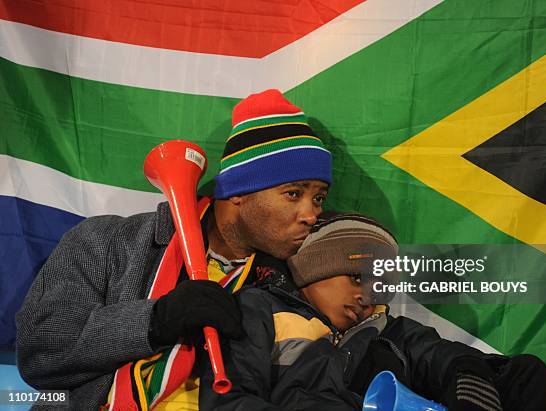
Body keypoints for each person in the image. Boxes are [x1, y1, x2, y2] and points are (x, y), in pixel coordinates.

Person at [15, 89, 332, 410]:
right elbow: (39, 351)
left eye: (319, 198)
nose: (311, 215)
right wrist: (154, 321)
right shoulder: (104, 239)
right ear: (240, 192)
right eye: (293, 194)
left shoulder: (295, 286)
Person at [200, 212, 546, 410]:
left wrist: (471, 378)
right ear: (312, 268)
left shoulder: (391, 334)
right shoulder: (259, 308)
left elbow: (440, 355)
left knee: (526, 377)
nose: (366, 297)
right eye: (357, 277)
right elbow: (227, 399)